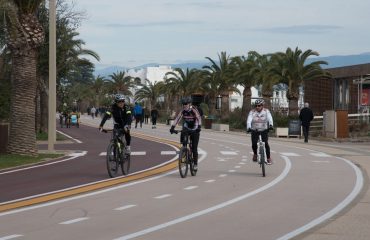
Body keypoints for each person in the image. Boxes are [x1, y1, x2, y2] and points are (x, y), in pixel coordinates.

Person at [170, 97, 202, 170]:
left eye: (186, 104)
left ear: (189, 104)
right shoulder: (183, 111)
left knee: (194, 148)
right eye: (183, 104)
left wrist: (199, 127)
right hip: (187, 127)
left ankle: (195, 164)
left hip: (195, 127)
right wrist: (172, 127)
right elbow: (177, 118)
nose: (184, 105)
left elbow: (199, 118)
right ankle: (184, 150)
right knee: (183, 133)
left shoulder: (194, 110)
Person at [246, 99, 274, 164]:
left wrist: (271, 125)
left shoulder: (266, 111)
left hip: (264, 130)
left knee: (266, 144)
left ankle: (268, 158)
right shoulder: (252, 112)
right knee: (254, 144)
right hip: (254, 130)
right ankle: (255, 154)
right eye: (256, 106)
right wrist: (248, 127)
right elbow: (249, 120)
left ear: (262, 106)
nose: (257, 107)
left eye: (259, 106)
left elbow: (270, 118)